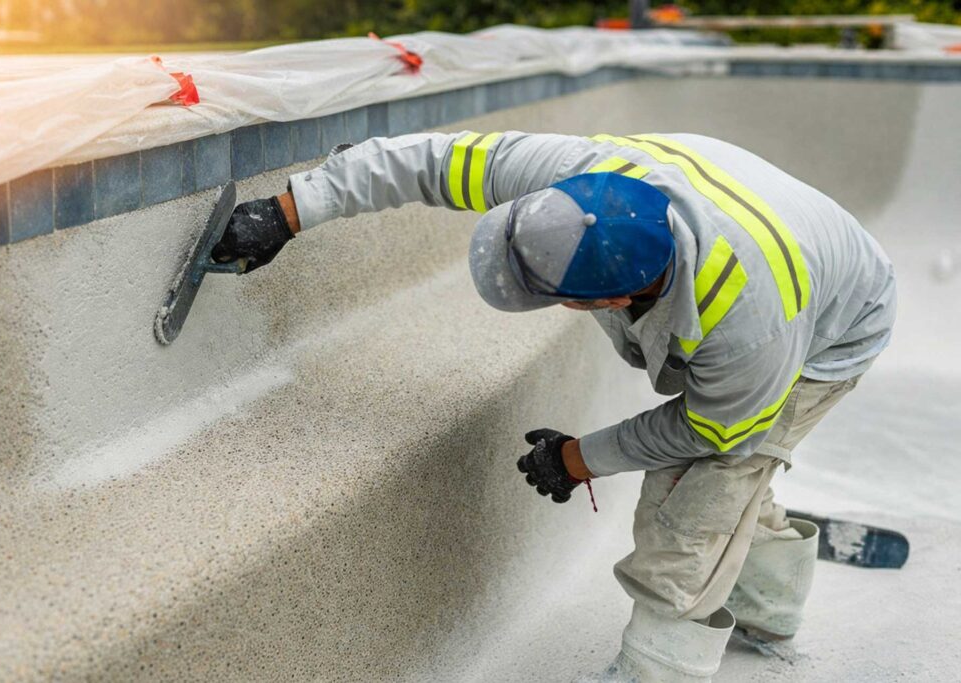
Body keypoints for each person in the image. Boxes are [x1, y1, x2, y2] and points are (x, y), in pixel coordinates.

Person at [211, 131, 897, 681]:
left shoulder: (748, 321)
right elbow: (433, 159)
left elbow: (710, 429)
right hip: (772, 259)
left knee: (694, 498)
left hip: (830, 330)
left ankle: (658, 667)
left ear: (602, 300)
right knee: (727, 475)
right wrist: (291, 211)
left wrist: (579, 458)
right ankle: (771, 605)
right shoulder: (579, 175)